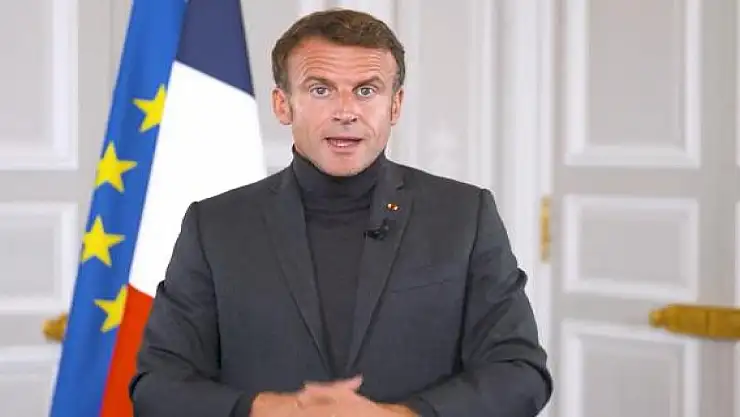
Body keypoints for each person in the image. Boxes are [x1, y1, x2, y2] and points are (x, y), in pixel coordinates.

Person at [129, 7, 553, 417]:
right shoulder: (215, 226)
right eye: (321, 90)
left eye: (366, 90)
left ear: (395, 105)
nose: (346, 111)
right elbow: (158, 385)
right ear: (282, 104)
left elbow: (520, 373)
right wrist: (272, 411)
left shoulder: (464, 216)